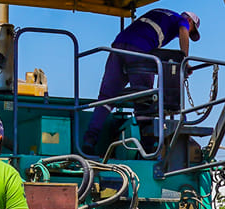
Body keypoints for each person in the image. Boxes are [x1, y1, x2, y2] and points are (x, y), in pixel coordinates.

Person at [85, 9, 198, 153]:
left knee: (106, 98)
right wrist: (184, 61)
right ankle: (148, 147)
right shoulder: (181, 20)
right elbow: (183, 32)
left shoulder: (160, 13)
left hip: (119, 46)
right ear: (189, 21)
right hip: (140, 49)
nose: (189, 32)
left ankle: (89, 141)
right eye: (192, 30)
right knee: (145, 100)